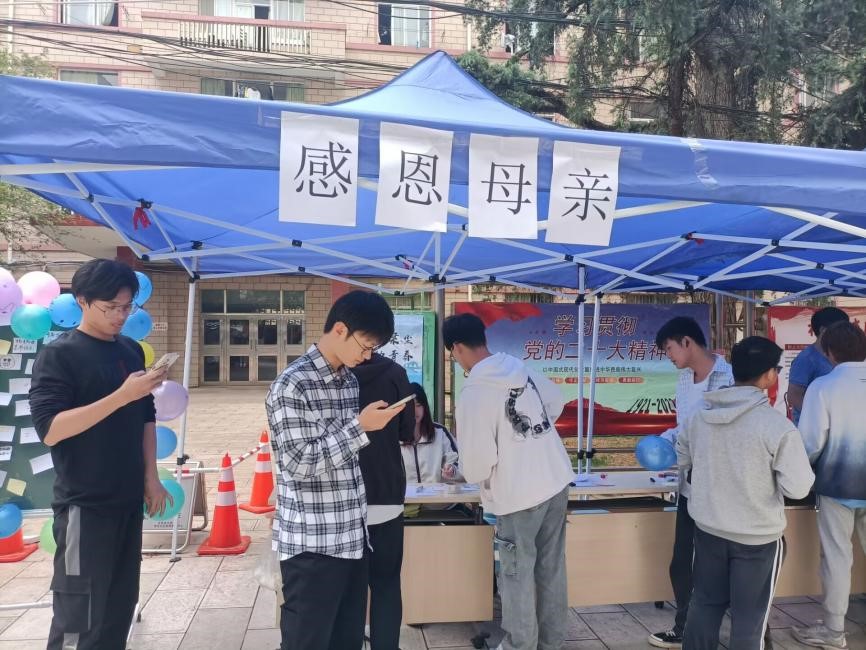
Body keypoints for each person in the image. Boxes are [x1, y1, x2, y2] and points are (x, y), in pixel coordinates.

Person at [29, 259, 171, 650]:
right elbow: (51, 430)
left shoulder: (129, 350)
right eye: (111, 307)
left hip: (128, 500)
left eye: (127, 307)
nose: (121, 316)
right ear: (82, 301)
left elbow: (145, 418)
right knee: (80, 618)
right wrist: (121, 396)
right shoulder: (60, 356)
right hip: (85, 505)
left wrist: (151, 477)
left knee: (118, 609)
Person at [265, 290, 407, 650]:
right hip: (313, 545)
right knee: (308, 641)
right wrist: (360, 428)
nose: (368, 355)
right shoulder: (292, 384)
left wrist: (363, 427)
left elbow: (342, 456)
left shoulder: (349, 380)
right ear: (340, 329)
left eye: (374, 348)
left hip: (353, 539)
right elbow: (299, 462)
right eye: (366, 345)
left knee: (347, 639)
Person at [444, 313, 573, 650]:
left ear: (456, 348)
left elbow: (477, 466)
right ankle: (551, 642)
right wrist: (527, 443)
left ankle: (520, 644)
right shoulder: (519, 367)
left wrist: (464, 469)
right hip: (555, 479)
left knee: (516, 574)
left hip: (518, 495)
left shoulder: (474, 392)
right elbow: (555, 401)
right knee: (551, 567)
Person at [678, 336, 814, 650]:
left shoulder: (700, 416)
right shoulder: (777, 426)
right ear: (769, 375)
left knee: (704, 605)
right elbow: (798, 487)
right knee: (749, 620)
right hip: (757, 538)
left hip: (709, 528)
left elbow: (683, 459)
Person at [649, 316, 734, 649]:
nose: (668, 356)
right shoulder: (685, 379)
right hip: (690, 486)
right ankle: (684, 627)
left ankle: (749, 630)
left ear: (687, 342)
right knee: (682, 562)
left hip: (723, 486)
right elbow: (685, 426)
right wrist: (666, 440)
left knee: (726, 564)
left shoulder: (730, 375)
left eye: (669, 348)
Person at [793, 321, 866, 649]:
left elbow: (810, 443)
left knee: (837, 558)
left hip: (837, 485)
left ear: (830, 353)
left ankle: (834, 631)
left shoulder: (823, 387)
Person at [350, 352, 415, 650]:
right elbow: (406, 432)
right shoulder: (395, 373)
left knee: (349, 589)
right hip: (387, 491)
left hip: (342, 500)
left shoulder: (333, 374)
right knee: (387, 584)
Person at [786, 306, 848, 425]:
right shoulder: (806, 359)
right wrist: (821, 417)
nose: (844, 333)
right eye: (839, 329)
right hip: (812, 428)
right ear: (823, 330)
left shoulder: (839, 355)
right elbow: (793, 395)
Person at [402, 382, 460, 485]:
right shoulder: (394, 437)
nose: (415, 411)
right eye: (410, 406)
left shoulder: (440, 432)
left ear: (425, 407)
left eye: (418, 405)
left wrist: (452, 469)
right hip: (406, 495)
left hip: (437, 495)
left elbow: (458, 460)